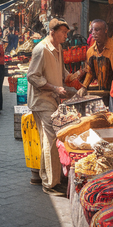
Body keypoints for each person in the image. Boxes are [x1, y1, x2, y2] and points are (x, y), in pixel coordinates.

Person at [27, 18, 76, 196]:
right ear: (52, 32)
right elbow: (32, 76)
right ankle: (50, 183)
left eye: (66, 33)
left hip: (53, 100)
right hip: (42, 102)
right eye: (63, 32)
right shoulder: (41, 49)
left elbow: (61, 70)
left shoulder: (59, 48)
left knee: (49, 141)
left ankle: (44, 177)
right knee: (50, 141)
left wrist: (72, 77)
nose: (65, 36)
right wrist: (55, 88)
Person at [77, 20, 113, 101]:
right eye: (92, 30)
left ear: (105, 30)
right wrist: (84, 87)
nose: (93, 33)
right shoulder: (90, 51)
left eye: (97, 30)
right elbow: (90, 72)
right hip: (101, 91)